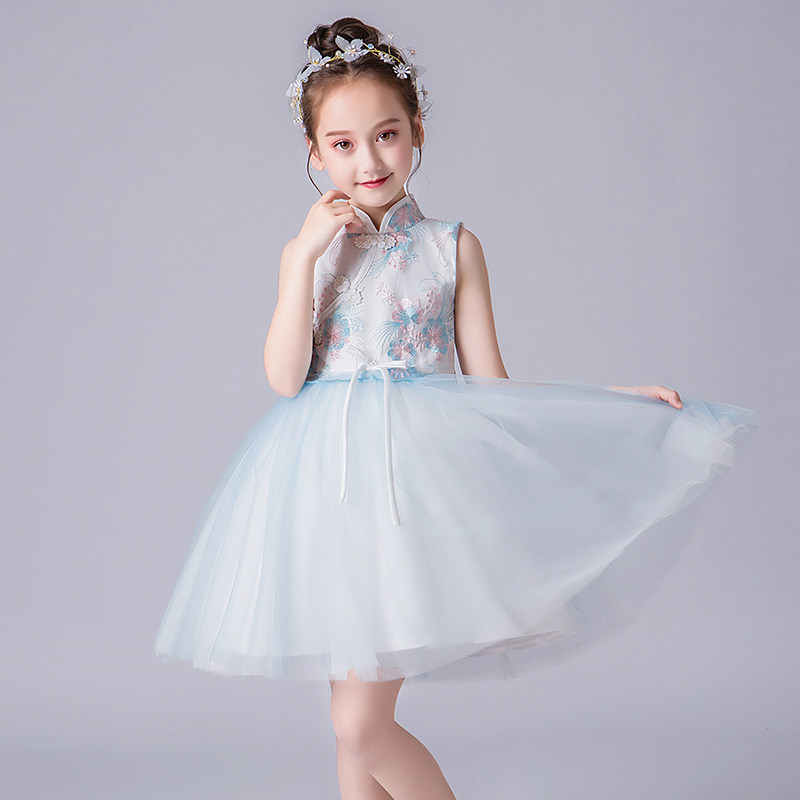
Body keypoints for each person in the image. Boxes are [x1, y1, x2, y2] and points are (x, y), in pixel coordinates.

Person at [154, 16, 758, 799]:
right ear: (314, 153)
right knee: (350, 723)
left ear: (417, 131)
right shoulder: (308, 254)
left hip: (415, 495)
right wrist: (302, 257)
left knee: (359, 724)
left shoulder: (451, 247)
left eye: (386, 135)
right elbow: (283, 377)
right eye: (343, 144)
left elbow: (491, 390)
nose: (369, 161)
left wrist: (608, 404)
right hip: (327, 497)